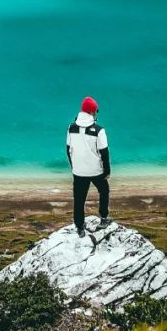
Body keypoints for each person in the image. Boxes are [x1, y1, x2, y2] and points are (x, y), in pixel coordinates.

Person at [66, 97, 110, 237]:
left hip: (78, 171)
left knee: (79, 199)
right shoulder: (99, 130)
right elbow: (104, 152)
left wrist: (74, 166)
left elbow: (68, 149)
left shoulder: (71, 127)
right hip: (96, 170)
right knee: (104, 190)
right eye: (96, 111)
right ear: (92, 112)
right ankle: (103, 218)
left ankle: (80, 227)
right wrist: (107, 170)